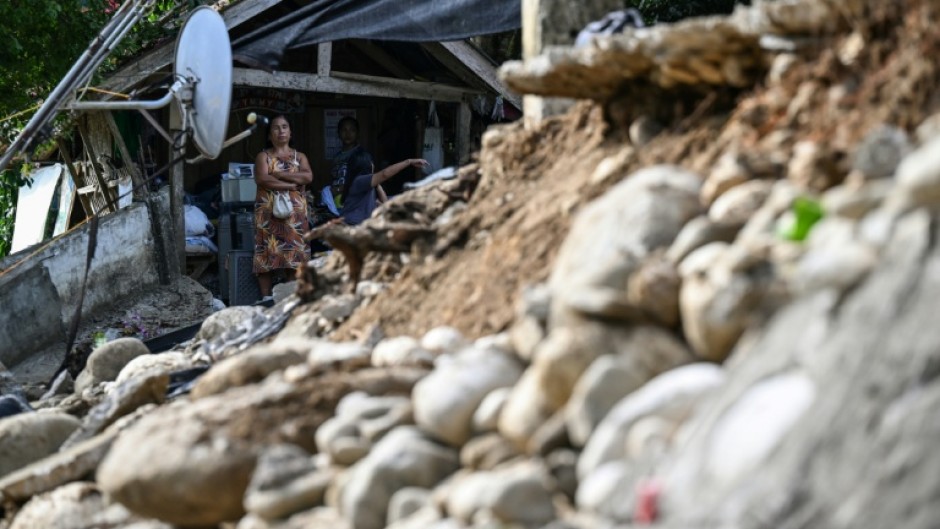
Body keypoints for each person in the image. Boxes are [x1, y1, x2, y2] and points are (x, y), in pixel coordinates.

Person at [252, 114, 313, 299]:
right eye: (276, 128)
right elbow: (262, 178)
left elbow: (308, 177)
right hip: (267, 215)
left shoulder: (300, 156)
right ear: (269, 134)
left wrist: (278, 175)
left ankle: (289, 297)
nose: (281, 131)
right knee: (266, 255)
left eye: (284, 127)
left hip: (294, 217)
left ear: (290, 132)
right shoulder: (263, 156)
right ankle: (266, 299)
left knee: (293, 255)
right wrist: (291, 186)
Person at [340, 152, 428, 225]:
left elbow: (385, 202)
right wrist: (409, 162)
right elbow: (384, 174)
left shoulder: (367, 186)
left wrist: (377, 184)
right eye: (371, 162)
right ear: (366, 165)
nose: (373, 165)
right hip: (351, 226)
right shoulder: (359, 181)